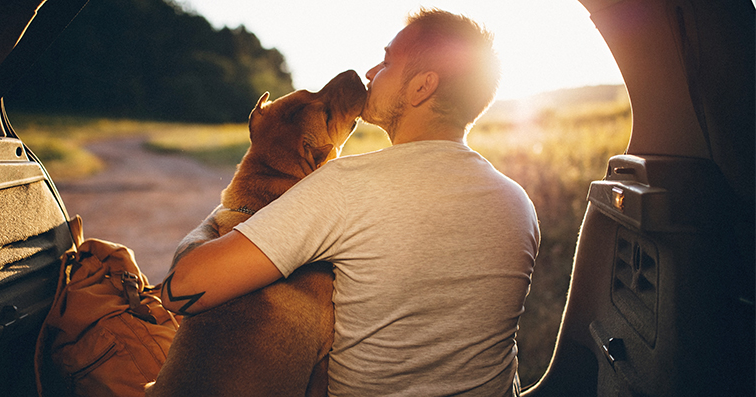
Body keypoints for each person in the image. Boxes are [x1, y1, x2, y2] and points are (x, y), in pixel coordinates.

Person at [162, 8, 539, 396]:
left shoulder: (345, 186)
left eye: (388, 62)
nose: (372, 72)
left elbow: (179, 290)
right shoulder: (519, 204)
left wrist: (222, 219)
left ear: (422, 87)